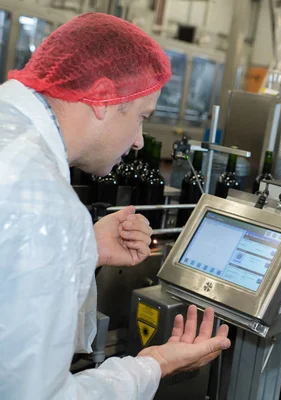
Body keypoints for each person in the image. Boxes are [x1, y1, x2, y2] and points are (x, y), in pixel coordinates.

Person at [0, 13, 230, 399]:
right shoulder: (46, 203)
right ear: (105, 98)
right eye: (142, 116)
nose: (139, 140)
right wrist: (154, 364)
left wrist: (82, 249)